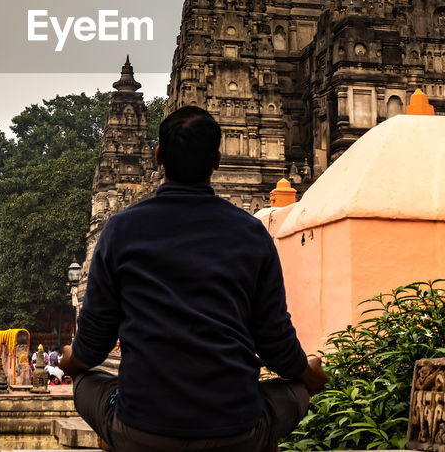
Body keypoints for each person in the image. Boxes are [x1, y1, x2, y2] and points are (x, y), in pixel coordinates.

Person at [61, 106, 326, 451]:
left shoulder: (120, 230)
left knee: (86, 381)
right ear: (217, 160)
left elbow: (93, 346)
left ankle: (116, 439)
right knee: (294, 390)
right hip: (235, 429)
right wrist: (308, 374)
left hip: (142, 428)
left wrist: (70, 360)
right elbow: (275, 341)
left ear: (158, 157)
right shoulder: (251, 233)